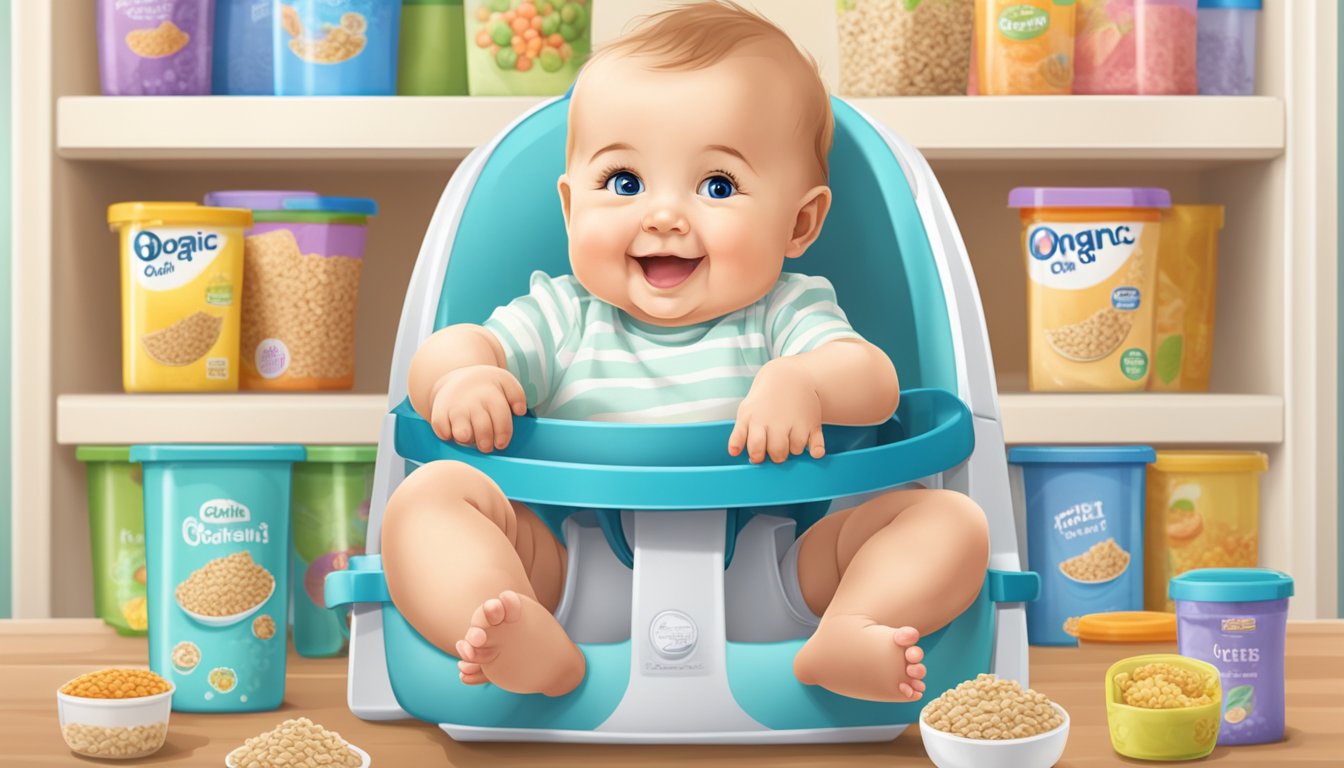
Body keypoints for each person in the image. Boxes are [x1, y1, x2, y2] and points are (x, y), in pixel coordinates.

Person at [382, 0, 989, 703]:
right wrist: (461, 378)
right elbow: (454, 348)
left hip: (778, 569)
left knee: (948, 521)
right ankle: (510, 632)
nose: (663, 214)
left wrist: (806, 384)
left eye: (718, 186)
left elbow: (875, 383)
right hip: (569, 572)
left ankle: (856, 625)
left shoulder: (785, 315)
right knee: (426, 501)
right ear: (571, 206)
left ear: (799, 222)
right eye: (625, 183)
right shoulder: (563, 316)